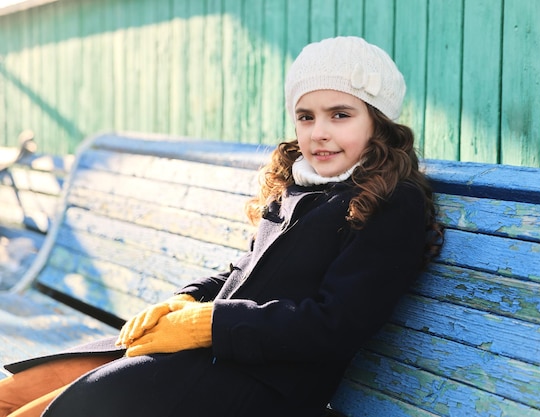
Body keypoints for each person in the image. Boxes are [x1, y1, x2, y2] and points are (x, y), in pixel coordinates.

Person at [0, 36, 442, 417]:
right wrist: (187, 298)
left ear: (377, 122)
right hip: (212, 354)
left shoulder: (390, 200)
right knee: (13, 395)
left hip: (262, 385)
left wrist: (207, 325)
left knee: (53, 409)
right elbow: (243, 271)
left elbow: (335, 325)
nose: (319, 132)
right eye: (306, 116)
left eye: (340, 115)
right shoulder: (300, 184)